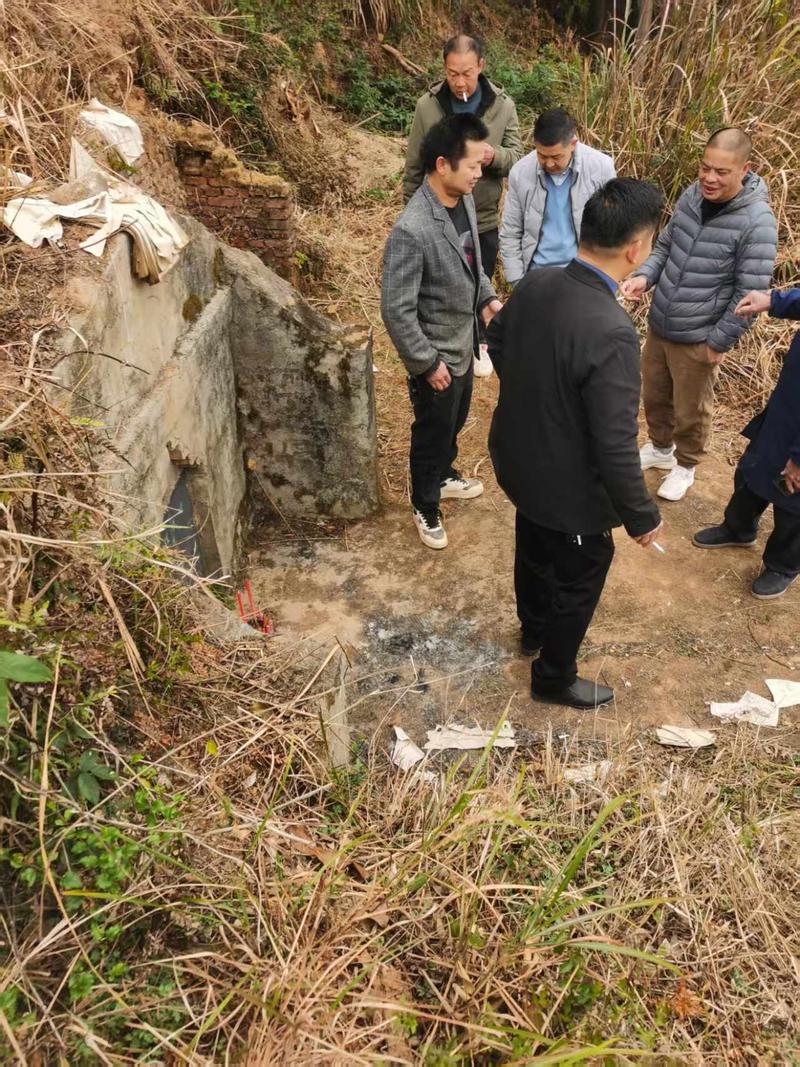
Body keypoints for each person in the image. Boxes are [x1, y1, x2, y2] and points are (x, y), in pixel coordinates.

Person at [488, 178, 664, 710]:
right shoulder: (611, 330)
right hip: (568, 491)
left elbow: (497, 341)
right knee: (584, 569)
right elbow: (613, 444)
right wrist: (640, 515)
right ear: (636, 249)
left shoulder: (538, 283)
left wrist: (537, 398)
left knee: (534, 542)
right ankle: (553, 675)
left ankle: (533, 629)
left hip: (520, 461)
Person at [621, 128, 778, 502]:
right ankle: (660, 450)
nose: (709, 178)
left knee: (692, 409)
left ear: (746, 169)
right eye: (705, 167)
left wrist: (718, 341)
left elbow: (749, 294)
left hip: (700, 336)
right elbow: (666, 245)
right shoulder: (693, 195)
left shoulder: (757, 222)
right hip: (661, 323)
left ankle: (686, 465)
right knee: (655, 395)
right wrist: (645, 276)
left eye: (721, 171)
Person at [382, 114, 503, 551]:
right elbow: (395, 309)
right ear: (441, 165)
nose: (479, 171)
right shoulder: (412, 230)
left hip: (464, 341)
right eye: (471, 164)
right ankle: (425, 502)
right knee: (431, 432)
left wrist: (487, 298)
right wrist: (426, 363)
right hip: (435, 354)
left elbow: (473, 263)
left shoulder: (464, 202)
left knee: (453, 422)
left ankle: (446, 474)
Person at [403, 33, 522, 378]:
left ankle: (478, 343)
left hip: (481, 215)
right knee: (440, 284)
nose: (459, 81)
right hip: (436, 212)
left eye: (466, 73)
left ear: (481, 66)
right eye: (452, 73)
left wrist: (492, 156)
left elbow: (516, 156)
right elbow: (414, 164)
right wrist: (409, 213)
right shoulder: (428, 106)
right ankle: (436, 346)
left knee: (477, 277)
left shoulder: (503, 105)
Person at [693, 287, 800, 600]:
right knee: (755, 469)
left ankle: (783, 564)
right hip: (789, 407)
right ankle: (738, 528)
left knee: (793, 496)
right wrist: (774, 300)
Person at [499, 107, 615, 284]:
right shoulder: (521, 172)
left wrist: (605, 277)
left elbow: (612, 227)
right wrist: (516, 280)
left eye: (556, 156)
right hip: (537, 277)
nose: (549, 163)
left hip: (586, 275)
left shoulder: (601, 168)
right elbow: (511, 231)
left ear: (573, 144)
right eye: (542, 155)